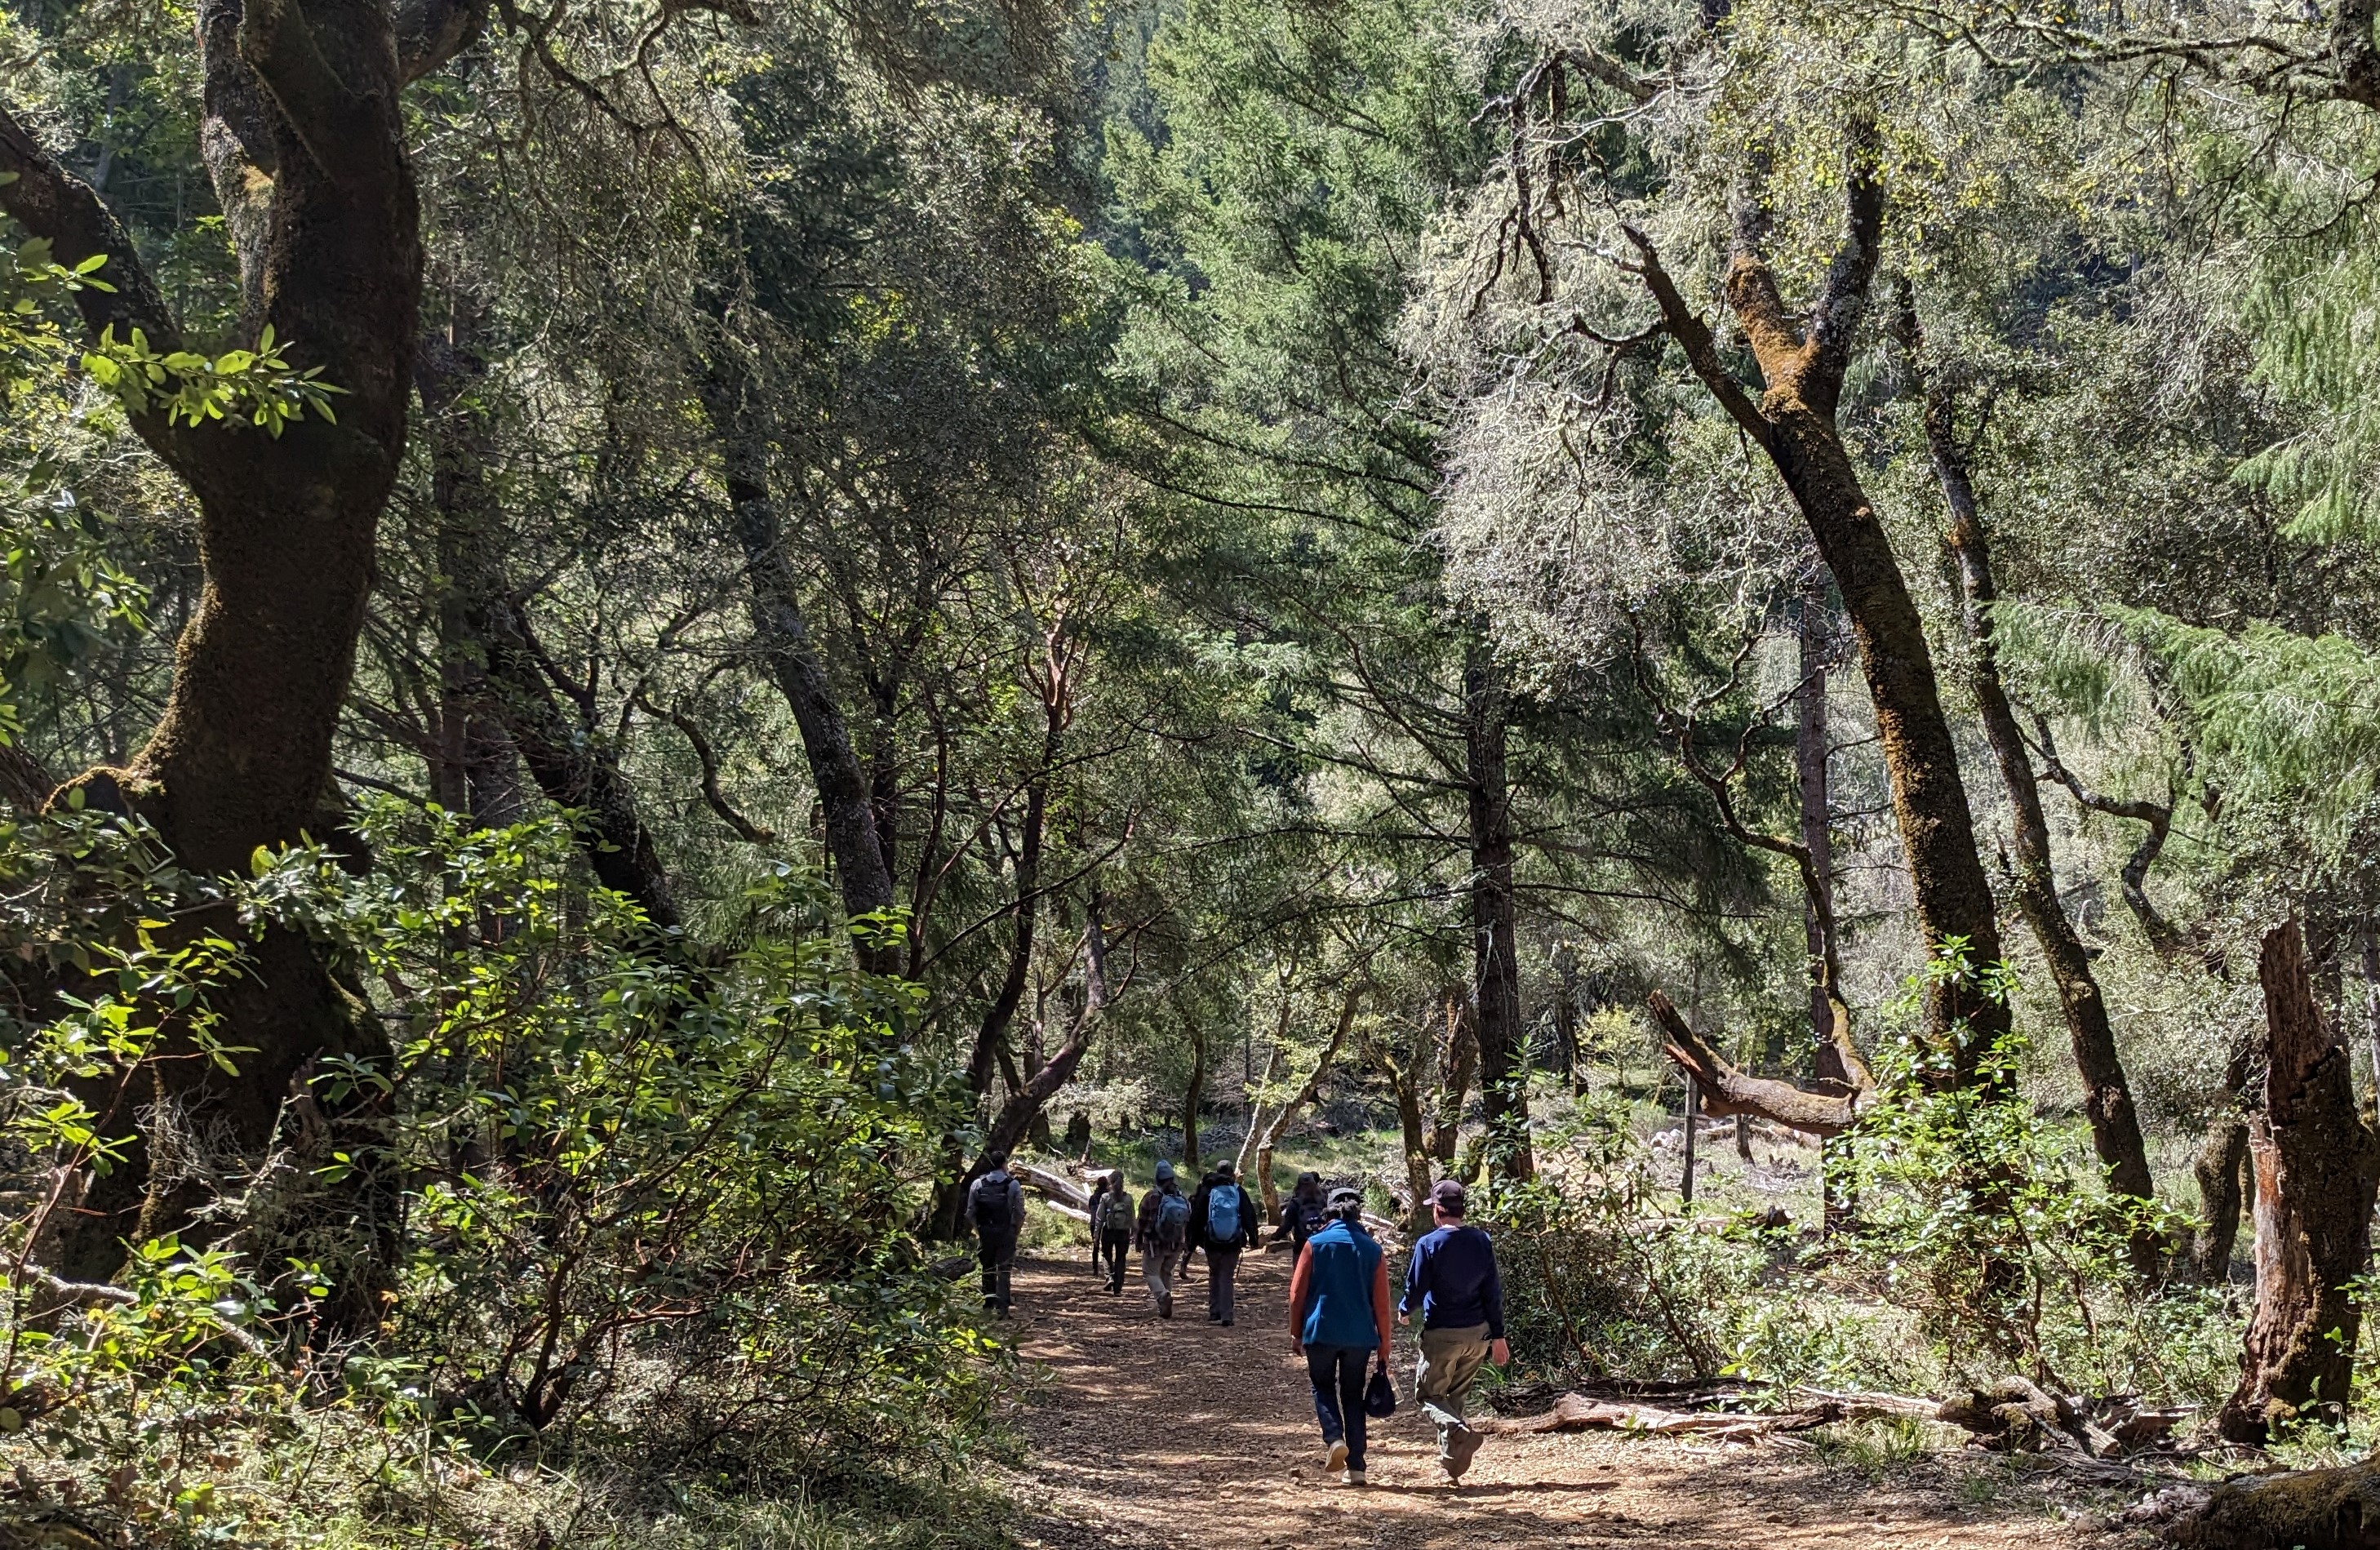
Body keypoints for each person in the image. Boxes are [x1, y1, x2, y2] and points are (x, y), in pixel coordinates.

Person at [1400, 1179, 1508, 1483]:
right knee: (1455, 1398)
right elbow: (1492, 1292)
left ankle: (1458, 1433)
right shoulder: (1481, 1240)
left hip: (1443, 1333)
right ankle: (1453, 1466)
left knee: (1428, 1396)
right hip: (1478, 1334)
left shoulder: (1429, 1244)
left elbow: (1417, 1286)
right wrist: (1498, 1337)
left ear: (1437, 1210)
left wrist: (1405, 1309)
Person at [1288, 1185, 1393, 1486]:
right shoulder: (1373, 1250)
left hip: (1320, 1332)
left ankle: (1334, 1438)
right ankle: (1357, 1466)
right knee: (1353, 1395)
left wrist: (1296, 1332)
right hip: (1360, 1336)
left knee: (1322, 1386)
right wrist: (1385, 1343)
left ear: (1329, 1212)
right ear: (1358, 1213)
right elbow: (1382, 1304)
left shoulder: (1314, 1244)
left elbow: (1297, 1294)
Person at [1187, 1160, 1260, 1326]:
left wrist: (1191, 1242)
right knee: (1227, 1277)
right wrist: (1253, 1238)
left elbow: (1196, 1218)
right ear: (1232, 1172)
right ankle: (1227, 1314)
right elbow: (1249, 1215)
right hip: (1233, 1241)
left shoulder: (1207, 1190)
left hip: (1211, 1241)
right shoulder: (1238, 1191)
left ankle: (1214, 1312)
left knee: (1214, 1274)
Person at [963, 1150, 1027, 1315]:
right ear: (1004, 1164)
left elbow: (970, 1212)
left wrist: (979, 1229)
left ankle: (987, 1304)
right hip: (1006, 1233)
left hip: (986, 1232)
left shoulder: (978, 1184)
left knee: (987, 1267)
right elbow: (1019, 1212)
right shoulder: (1013, 1185)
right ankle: (1003, 1308)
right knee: (1004, 1270)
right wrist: (1015, 1229)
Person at [1134, 1161, 1192, 1318]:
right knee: (1167, 1272)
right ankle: (1165, 1303)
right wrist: (1186, 1242)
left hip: (1155, 1243)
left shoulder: (1150, 1197)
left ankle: (1162, 1295)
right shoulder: (1182, 1198)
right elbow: (1187, 1222)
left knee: (1150, 1272)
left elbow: (1142, 1222)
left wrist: (1138, 1240)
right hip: (1176, 1243)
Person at [1269, 1170, 1330, 1255]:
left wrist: (1275, 1236)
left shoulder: (1295, 1203)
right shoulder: (1324, 1199)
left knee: (1300, 1268)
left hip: (1302, 1246)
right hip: (1322, 1244)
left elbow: (1287, 1226)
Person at [1096, 1170, 1135, 1294]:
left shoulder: (1106, 1197)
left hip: (1109, 1230)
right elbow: (1132, 1218)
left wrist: (1096, 1234)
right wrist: (1134, 1233)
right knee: (1121, 1258)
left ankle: (1109, 1277)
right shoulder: (1128, 1198)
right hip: (1123, 1232)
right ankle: (1118, 1289)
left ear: (1110, 1183)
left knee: (1106, 1255)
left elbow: (1099, 1217)